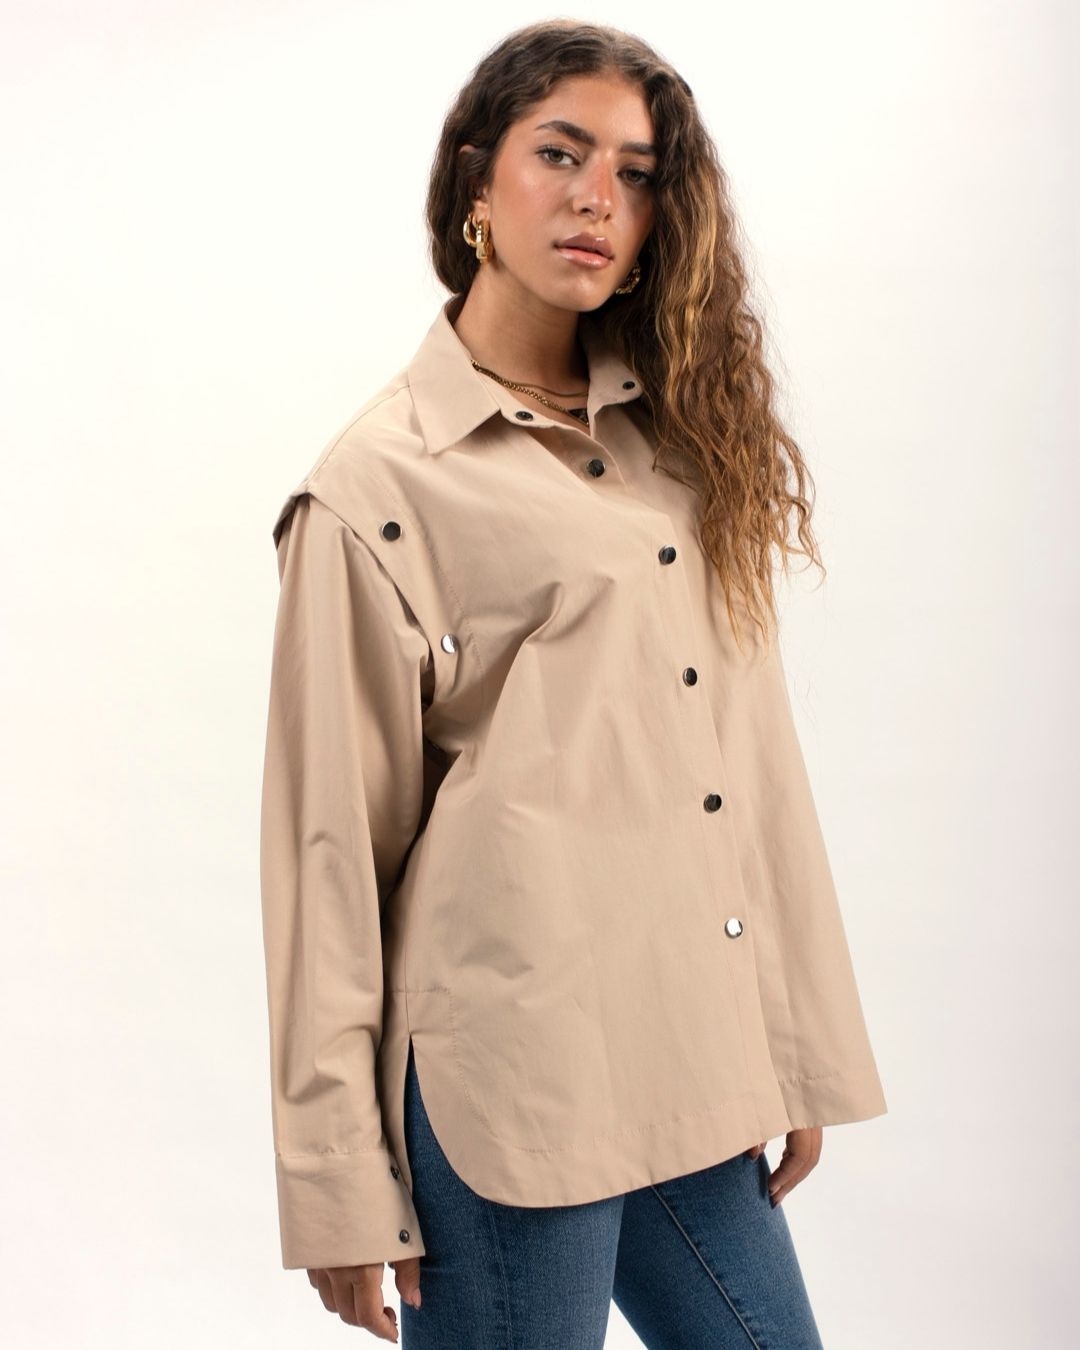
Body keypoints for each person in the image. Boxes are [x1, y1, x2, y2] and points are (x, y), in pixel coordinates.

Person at [258, 18, 888, 1348]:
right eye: (560, 153)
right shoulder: (376, 486)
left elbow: (746, 758)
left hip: (681, 1051)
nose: (599, 195)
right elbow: (330, 852)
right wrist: (336, 1182)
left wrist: (792, 1038)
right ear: (475, 183)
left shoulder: (679, 441)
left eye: (637, 173)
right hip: (512, 1085)